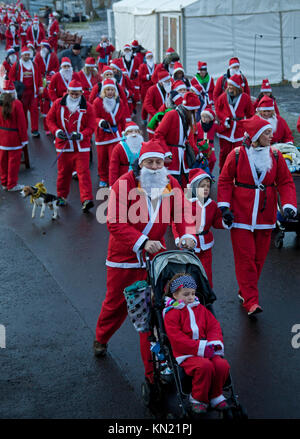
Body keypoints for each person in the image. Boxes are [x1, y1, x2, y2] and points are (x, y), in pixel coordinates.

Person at [94, 140, 197, 386]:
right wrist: (141, 241)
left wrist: (186, 235)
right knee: (115, 304)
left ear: (164, 163)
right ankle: (102, 337)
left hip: (155, 259)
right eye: (149, 162)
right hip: (124, 258)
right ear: (140, 164)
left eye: (158, 162)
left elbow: (182, 213)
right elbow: (114, 222)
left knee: (152, 316)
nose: (153, 166)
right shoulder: (123, 184)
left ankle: (152, 375)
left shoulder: (171, 184)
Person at [217, 115, 297, 316]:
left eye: (271, 132)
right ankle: (251, 301)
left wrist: (288, 205)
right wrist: (224, 207)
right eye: (267, 133)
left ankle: (245, 290)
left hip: (265, 216)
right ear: (256, 135)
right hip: (241, 215)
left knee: (259, 259)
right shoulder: (236, 155)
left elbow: (286, 182)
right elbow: (225, 180)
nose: (272, 136)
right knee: (246, 259)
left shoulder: (276, 156)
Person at [163, 273, 230, 414]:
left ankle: (215, 395)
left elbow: (213, 326)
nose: (191, 297)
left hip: (207, 348)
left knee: (222, 365)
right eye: (186, 294)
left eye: (193, 294)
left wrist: (214, 343)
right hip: (185, 353)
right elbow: (177, 338)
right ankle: (197, 398)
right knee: (204, 366)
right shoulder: (172, 313)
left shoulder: (200, 309)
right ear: (175, 295)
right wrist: (200, 348)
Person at [173, 169, 231, 287]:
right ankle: (188, 296)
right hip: (189, 244)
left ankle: (206, 296)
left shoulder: (212, 204)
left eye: (208, 186)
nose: (205, 188)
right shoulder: (186, 203)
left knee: (206, 272)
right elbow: (176, 223)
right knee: (188, 272)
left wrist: (225, 221)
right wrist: (180, 239)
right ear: (194, 187)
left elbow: (216, 222)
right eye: (202, 186)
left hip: (206, 244)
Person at [46, 79, 96, 212]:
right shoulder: (57, 104)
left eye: (77, 94)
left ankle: (86, 199)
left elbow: (91, 126)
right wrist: (56, 131)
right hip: (64, 146)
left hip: (81, 147)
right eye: (72, 93)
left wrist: (81, 135)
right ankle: (61, 196)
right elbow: (49, 120)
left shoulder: (88, 107)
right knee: (63, 173)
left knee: (83, 173)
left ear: (81, 93)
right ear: (67, 92)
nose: (74, 96)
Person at [153, 91, 201, 187]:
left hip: (184, 160)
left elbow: (190, 141)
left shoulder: (188, 119)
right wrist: (166, 153)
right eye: (194, 110)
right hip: (172, 159)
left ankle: (187, 202)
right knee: (170, 188)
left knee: (186, 187)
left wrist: (197, 154)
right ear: (189, 109)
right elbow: (158, 135)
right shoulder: (172, 115)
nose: (196, 112)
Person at [215, 74, 254, 170]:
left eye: (231, 86)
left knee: (239, 152)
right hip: (226, 129)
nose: (229, 88)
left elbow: (250, 114)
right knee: (224, 152)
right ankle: (223, 170)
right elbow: (218, 110)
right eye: (228, 85)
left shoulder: (245, 98)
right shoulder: (223, 97)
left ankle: (237, 171)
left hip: (239, 130)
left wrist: (249, 127)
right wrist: (224, 119)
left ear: (237, 87)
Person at [93, 78, 126, 187]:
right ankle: (103, 177)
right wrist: (101, 122)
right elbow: (94, 117)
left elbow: (122, 118)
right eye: (108, 90)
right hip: (102, 135)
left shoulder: (119, 102)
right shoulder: (97, 102)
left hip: (115, 134)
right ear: (104, 91)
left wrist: (124, 131)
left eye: (112, 90)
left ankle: (113, 178)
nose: (110, 92)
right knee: (102, 159)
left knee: (114, 158)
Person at [9, 45, 43, 138]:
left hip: (32, 92)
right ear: (22, 56)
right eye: (25, 55)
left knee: (34, 111)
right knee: (22, 112)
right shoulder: (17, 65)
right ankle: (24, 129)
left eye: (28, 55)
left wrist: (40, 86)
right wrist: (13, 90)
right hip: (22, 93)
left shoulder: (34, 64)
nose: (27, 56)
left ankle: (34, 130)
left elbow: (39, 76)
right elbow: (11, 78)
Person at [0, 80, 27, 191]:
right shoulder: (17, 104)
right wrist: (24, 139)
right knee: (13, 163)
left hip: (2, 137)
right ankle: (12, 184)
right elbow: (22, 124)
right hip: (14, 138)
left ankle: (4, 182)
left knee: (2, 162)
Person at [109, 121, 143, 187]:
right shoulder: (119, 148)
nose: (134, 134)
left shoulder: (143, 146)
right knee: (123, 195)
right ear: (126, 134)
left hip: (141, 178)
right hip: (123, 178)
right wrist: (112, 184)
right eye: (131, 131)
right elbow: (113, 168)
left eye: (136, 131)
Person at [196, 107, 220, 174]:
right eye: (203, 116)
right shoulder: (198, 125)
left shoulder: (214, 125)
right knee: (201, 160)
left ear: (210, 118)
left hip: (210, 146)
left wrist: (224, 122)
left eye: (206, 117)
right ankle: (200, 173)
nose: (204, 118)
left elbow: (221, 129)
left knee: (212, 160)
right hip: (200, 146)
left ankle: (208, 173)